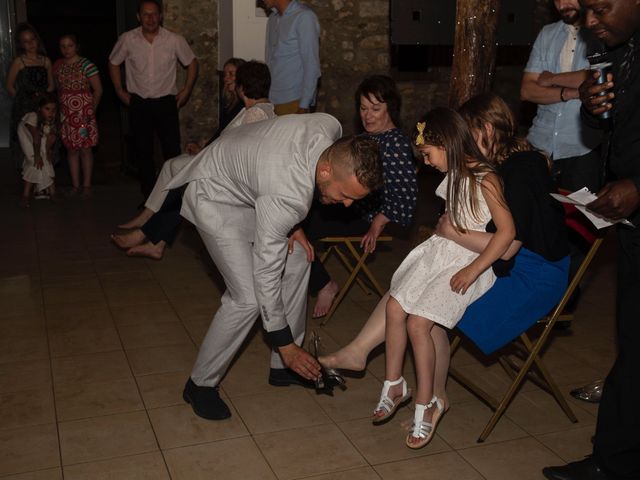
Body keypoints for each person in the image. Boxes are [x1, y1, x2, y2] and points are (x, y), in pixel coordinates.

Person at [319, 94, 569, 440]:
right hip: (484, 253)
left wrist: (453, 231)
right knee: (408, 291)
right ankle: (388, 370)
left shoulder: (515, 171)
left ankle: (430, 397)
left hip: (528, 271)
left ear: (482, 129)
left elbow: (510, 246)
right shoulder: (474, 168)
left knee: (427, 312)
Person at [164, 114, 384, 421]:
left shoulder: (330, 127)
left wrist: (292, 225)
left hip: (256, 187)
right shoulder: (288, 197)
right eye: (345, 195)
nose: (348, 205)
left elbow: (282, 181)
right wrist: (285, 344)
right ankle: (200, 384)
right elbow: (266, 273)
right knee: (247, 298)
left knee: (298, 257)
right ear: (325, 169)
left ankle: (282, 370)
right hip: (213, 194)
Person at [373, 108, 515, 449]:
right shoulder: (454, 175)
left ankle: (427, 403)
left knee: (419, 323)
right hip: (440, 254)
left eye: (427, 154)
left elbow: (507, 233)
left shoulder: (487, 179)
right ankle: (394, 383)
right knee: (394, 308)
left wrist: (473, 268)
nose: (426, 162)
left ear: (447, 144)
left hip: (469, 263)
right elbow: (450, 224)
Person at [543, 1, 640, 479]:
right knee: (632, 343)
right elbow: (618, 129)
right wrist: (595, 109)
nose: (589, 23)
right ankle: (611, 462)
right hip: (632, 226)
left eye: (600, 8)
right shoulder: (619, 50)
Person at [112, 60, 275, 259]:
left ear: (241, 88)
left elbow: (239, 155)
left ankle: (148, 235)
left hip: (236, 183)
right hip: (229, 173)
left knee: (187, 183)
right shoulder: (262, 110)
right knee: (185, 180)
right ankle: (153, 239)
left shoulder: (254, 115)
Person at [305, 75, 418, 318]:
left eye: (375, 109)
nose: (368, 115)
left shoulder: (395, 143)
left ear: (391, 108)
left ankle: (323, 284)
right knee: (294, 217)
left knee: (298, 228)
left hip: (363, 217)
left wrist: (378, 222)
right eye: (363, 108)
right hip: (347, 207)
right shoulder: (366, 138)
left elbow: (406, 193)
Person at [108, 0, 198, 199]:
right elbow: (113, 62)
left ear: (161, 16)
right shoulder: (127, 39)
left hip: (166, 102)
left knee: (171, 151)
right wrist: (119, 90)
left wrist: (186, 90)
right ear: (139, 17)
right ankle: (149, 196)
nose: (150, 18)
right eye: (146, 14)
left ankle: (173, 197)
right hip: (139, 103)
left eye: (154, 14)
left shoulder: (174, 40)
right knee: (143, 151)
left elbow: (191, 62)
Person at [521, 0, 603, 193]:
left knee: (582, 220)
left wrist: (551, 78)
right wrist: (571, 92)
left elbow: (596, 77)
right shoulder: (547, 33)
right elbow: (527, 90)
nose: (563, 4)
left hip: (583, 148)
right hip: (540, 144)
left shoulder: (600, 30)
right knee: (539, 218)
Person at [53, 34, 103, 197]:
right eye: (63, 46)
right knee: (71, 149)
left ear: (77, 46)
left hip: (84, 114)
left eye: (70, 45)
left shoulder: (87, 65)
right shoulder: (58, 66)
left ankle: (87, 186)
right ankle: (75, 185)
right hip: (67, 115)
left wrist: (90, 111)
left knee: (86, 149)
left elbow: (98, 90)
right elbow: (57, 91)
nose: (66, 49)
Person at [6, 23, 54, 169]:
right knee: (29, 144)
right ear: (21, 44)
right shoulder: (19, 62)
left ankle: (44, 180)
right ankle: (30, 181)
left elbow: (51, 86)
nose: (30, 44)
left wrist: (46, 102)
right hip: (25, 109)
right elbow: (9, 85)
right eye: (26, 41)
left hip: (43, 107)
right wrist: (22, 100)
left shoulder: (45, 61)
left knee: (45, 140)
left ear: (37, 40)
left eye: (32, 39)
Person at [263, 0, 320, 115]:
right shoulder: (272, 19)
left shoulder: (304, 17)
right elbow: (270, 60)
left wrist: (303, 105)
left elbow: (311, 66)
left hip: (293, 100)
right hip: (271, 100)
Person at [18, 93, 59, 207]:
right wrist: (37, 155)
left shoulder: (49, 122)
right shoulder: (32, 117)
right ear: (39, 108)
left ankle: (53, 193)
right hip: (28, 139)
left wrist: (47, 150)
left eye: (54, 110)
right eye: (47, 109)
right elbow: (35, 138)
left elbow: (47, 142)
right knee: (34, 163)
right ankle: (25, 195)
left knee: (46, 162)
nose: (51, 112)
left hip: (39, 142)